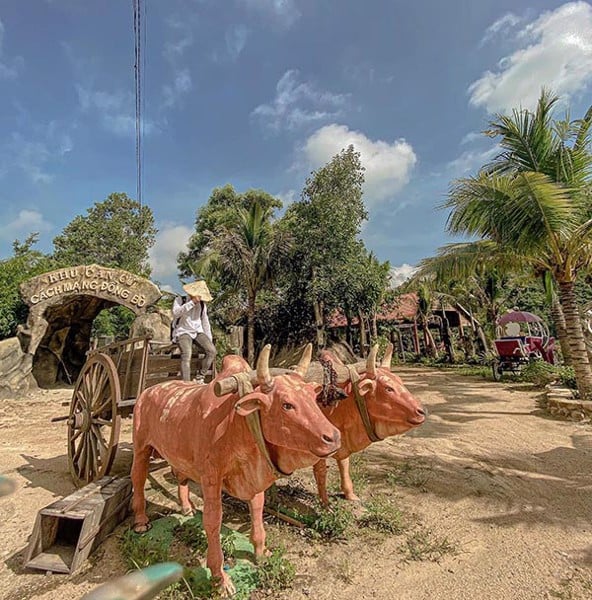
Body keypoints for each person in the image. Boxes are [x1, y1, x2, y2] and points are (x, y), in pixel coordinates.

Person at [171, 279, 216, 384]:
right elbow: (175, 313)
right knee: (187, 354)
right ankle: (186, 383)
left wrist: (209, 339)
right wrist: (191, 303)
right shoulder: (180, 300)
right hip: (183, 331)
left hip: (197, 331)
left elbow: (205, 322)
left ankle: (200, 377)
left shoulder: (203, 305)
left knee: (212, 351)